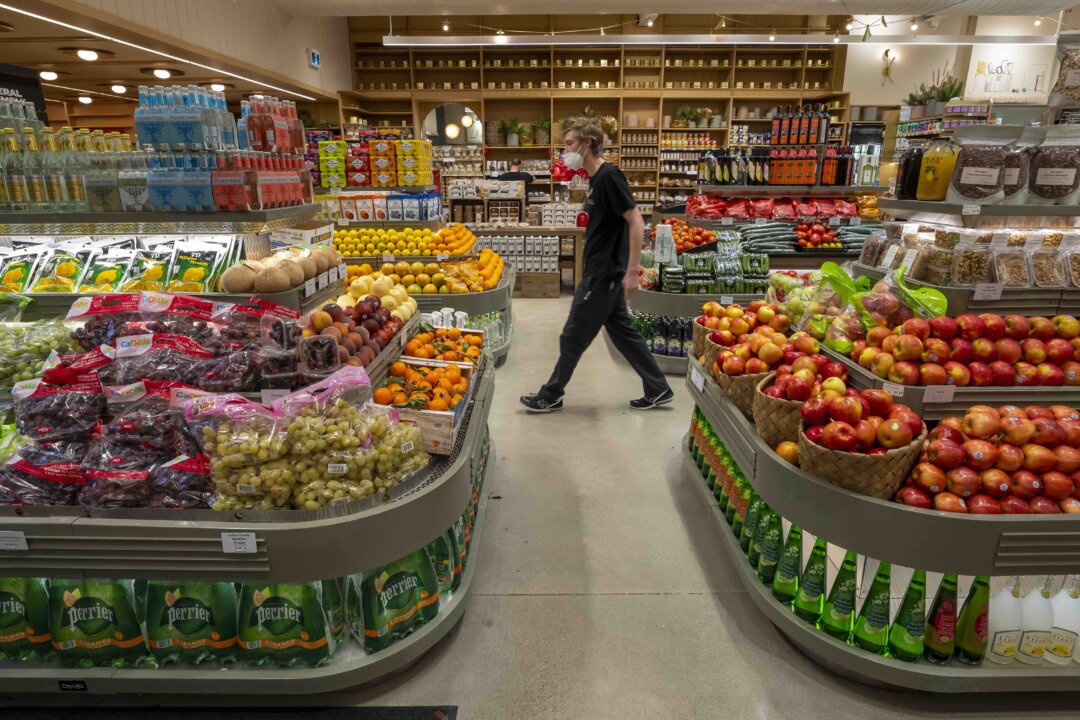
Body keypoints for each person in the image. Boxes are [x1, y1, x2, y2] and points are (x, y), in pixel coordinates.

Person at [520, 116, 673, 414]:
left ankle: (551, 394)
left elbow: (636, 220)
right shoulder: (595, 179)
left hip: (604, 274)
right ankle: (658, 387)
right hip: (606, 272)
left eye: (569, 144)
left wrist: (632, 271)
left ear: (587, 144)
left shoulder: (609, 177)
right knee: (624, 334)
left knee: (572, 335)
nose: (565, 151)